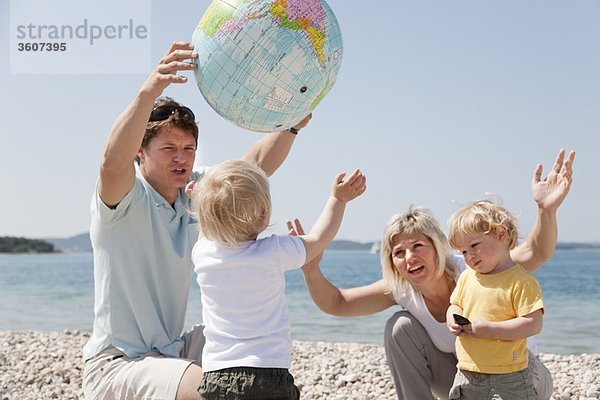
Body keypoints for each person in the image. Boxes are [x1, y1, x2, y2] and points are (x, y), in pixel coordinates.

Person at [82, 41, 312, 400]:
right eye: (169, 149)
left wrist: (290, 126)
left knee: (252, 346)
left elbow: (253, 167)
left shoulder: (195, 193)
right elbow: (111, 162)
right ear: (141, 153)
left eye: (188, 149)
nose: (181, 159)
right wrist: (150, 89)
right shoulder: (124, 200)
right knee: (209, 387)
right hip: (119, 365)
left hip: (174, 348)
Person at [291, 149, 575, 400]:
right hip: (466, 381)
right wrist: (310, 269)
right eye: (398, 252)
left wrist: (545, 210)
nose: (409, 257)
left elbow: (535, 252)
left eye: (417, 246)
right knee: (400, 325)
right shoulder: (402, 288)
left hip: (520, 377)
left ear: (437, 247)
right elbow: (337, 303)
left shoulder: (476, 265)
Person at [190, 159, 366, 399]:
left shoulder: (202, 254)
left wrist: (199, 201)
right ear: (264, 216)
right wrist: (339, 199)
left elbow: (205, 229)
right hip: (267, 372)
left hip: (216, 375)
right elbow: (320, 237)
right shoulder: (273, 252)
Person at [446, 200, 545, 399]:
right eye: (463, 251)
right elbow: (455, 304)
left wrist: (490, 329)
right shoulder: (467, 277)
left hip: (509, 372)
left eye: (474, 245)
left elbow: (533, 324)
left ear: (501, 235)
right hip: (468, 369)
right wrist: (453, 318)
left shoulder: (521, 281)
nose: (469, 255)